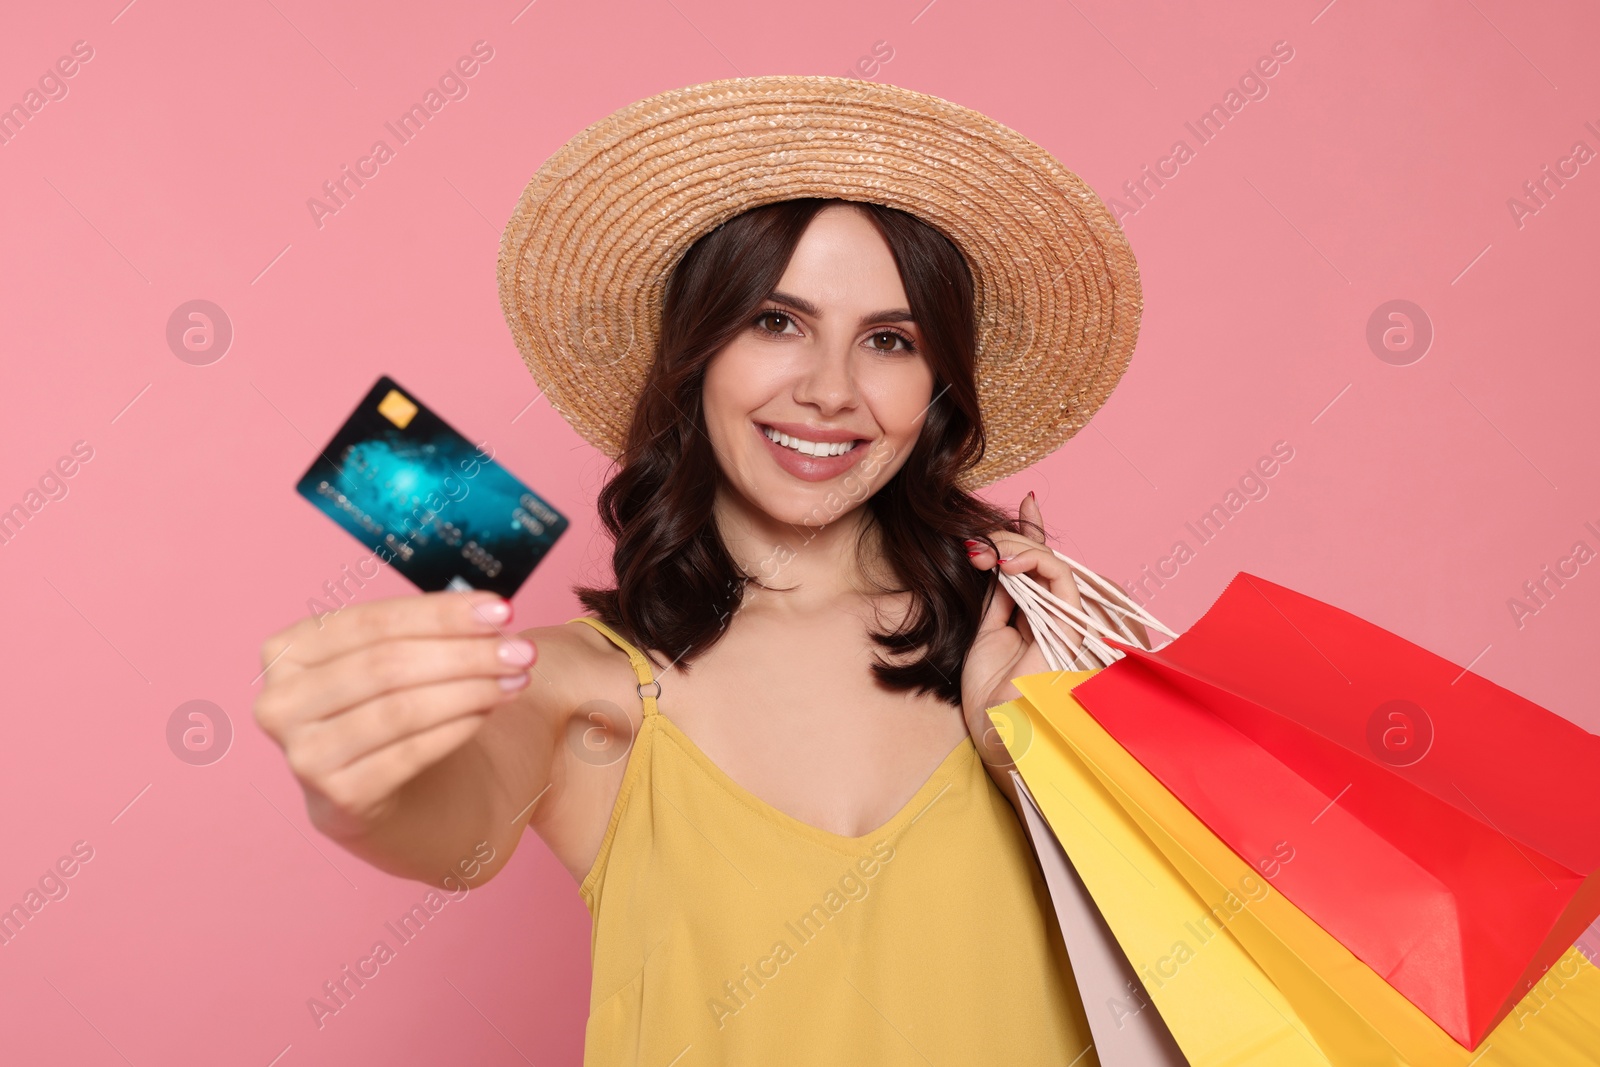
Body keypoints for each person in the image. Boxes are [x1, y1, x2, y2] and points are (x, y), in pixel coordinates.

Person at [254, 76, 1144, 1065]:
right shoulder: (583, 691)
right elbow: (450, 819)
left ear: (935, 388)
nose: (828, 390)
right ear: (695, 351)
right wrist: (360, 791)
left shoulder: (1034, 654)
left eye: (889, 340)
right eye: (776, 321)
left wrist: (1052, 764)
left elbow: (1224, 974)